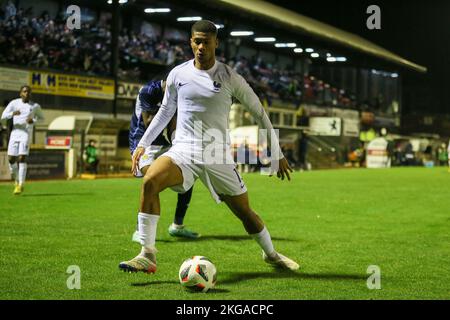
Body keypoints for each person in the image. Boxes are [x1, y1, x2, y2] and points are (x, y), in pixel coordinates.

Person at [119, 20, 299, 274]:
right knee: (150, 182)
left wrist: (277, 153)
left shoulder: (230, 77)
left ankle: (271, 254)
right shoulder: (178, 74)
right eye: (197, 41)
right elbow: (165, 111)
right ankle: (147, 254)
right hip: (183, 151)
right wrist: (144, 143)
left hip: (216, 154)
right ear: (190, 42)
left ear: (216, 43)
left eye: (206, 41)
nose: (201, 46)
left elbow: (259, 113)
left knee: (245, 212)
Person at [129, 80, 199, 241]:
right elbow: (148, 122)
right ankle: (140, 230)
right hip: (144, 143)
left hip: (167, 143)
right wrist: (172, 114)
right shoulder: (148, 91)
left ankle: (177, 226)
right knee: (153, 180)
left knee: (187, 176)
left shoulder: (182, 96)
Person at [1, 85, 44, 194]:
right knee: (11, 159)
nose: (27, 94)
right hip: (15, 133)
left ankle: (21, 185)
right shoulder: (14, 103)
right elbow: (3, 116)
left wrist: (33, 121)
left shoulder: (35, 106)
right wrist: (12, 113)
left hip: (26, 134)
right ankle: (16, 180)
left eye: (29, 92)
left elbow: (42, 118)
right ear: (20, 93)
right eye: (24, 92)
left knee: (22, 158)